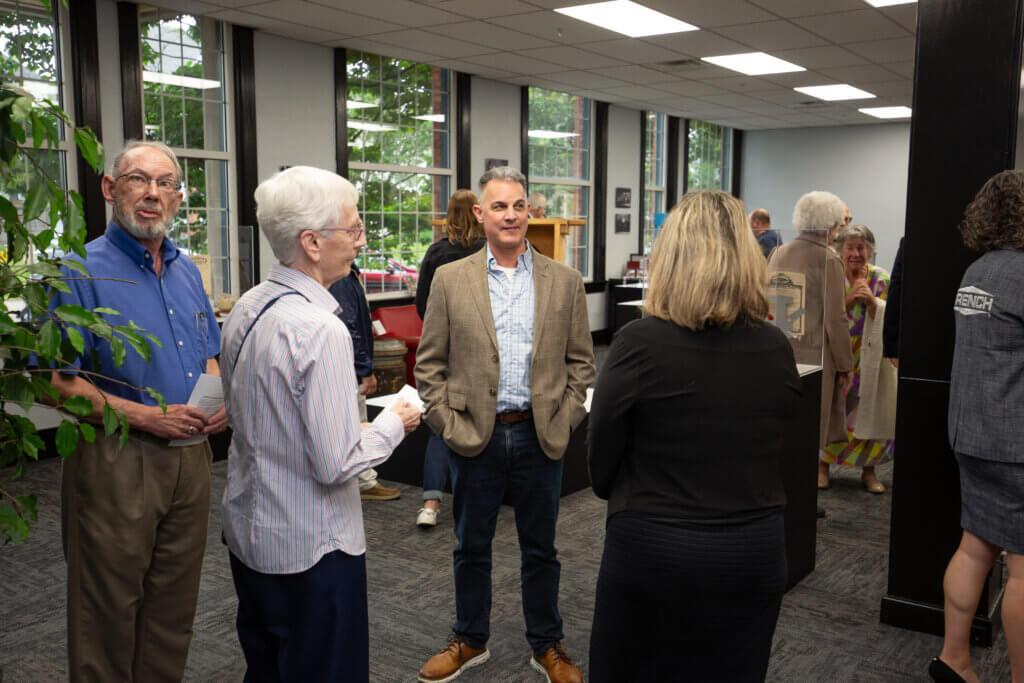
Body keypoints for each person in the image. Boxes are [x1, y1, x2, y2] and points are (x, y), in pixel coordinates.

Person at [588, 190, 801, 682]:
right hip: (754, 550)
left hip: (652, 548)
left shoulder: (637, 344)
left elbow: (601, 464)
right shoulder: (775, 348)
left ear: (671, 256)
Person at [220, 166, 420, 682]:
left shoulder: (247, 306)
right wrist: (396, 422)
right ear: (311, 242)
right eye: (352, 230)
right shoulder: (320, 330)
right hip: (313, 550)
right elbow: (340, 462)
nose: (361, 241)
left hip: (252, 534)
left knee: (267, 668)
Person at [49, 140, 227, 681]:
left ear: (178, 197)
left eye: (166, 183)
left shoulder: (185, 271)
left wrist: (217, 402)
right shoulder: (79, 270)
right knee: (107, 615)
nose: (153, 194)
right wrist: (146, 416)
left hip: (190, 459)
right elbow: (58, 385)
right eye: (138, 180)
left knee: (172, 612)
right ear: (110, 189)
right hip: (117, 458)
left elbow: (210, 355)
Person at [415, 166, 595, 683]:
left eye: (518, 205)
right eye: (499, 206)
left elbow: (582, 362)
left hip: (541, 436)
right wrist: (447, 423)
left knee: (542, 550)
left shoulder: (564, 281)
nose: (511, 215)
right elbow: (429, 365)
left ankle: (547, 645)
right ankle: (470, 639)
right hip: (476, 436)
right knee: (471, 546)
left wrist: (566, 417)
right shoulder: (451, 279)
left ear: (529, 211)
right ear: (480, 214)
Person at [929, 170, 1024, 683]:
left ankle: (955, 659)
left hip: (971, 435)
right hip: (1016, 444)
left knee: (975, 546)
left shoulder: (977, 273)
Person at [768, 191, 854, 490]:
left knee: (784, 429)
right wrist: (846, 364)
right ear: (831, 223)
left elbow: (771, 308)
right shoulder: (829, 259)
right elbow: (836, 319)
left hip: (780, 352)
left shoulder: (779, 253)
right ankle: (801, 496)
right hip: (816, 357)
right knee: (810, 430)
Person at [414, 189, 485, 527]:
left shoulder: (437, 252)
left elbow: (422, 304)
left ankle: (430, 505)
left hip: (446, 345)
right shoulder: (489, 249)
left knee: (439, 424)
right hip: (485, 346)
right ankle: (476, 504)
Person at [822, 224, 894, 493]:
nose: (855, 253)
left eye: (861, 247)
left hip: (870, 359)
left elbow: (895, 320)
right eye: (850, 247)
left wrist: (875, 304)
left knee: (869, 411)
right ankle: (822, 467)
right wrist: (849, 298)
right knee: (832, 411)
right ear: (839, 250)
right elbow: (820, 316)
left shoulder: (882, 279)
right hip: (837, 357)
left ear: (870, 251)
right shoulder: (831, 276)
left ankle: (869, 471)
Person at [329, 245, 401, 502]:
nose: (360, 241)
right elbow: (350, 327)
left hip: (349, 365)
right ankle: (364, 482)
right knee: (356, 423)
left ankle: (363, 479)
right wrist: (365, 370)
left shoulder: (348, 273)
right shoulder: (342, 278)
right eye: (352, 233)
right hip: (349, 368)